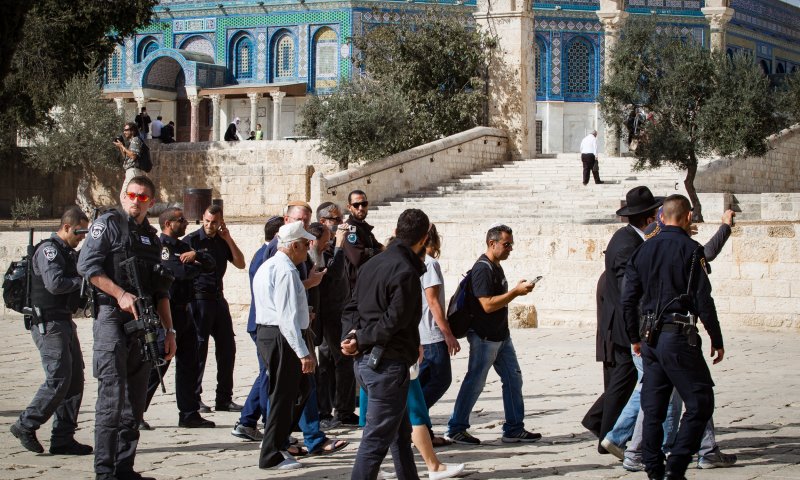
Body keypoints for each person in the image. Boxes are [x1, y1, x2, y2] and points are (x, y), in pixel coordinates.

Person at [613, 209, 737, 472]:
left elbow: (628, 299)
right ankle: (678, 464)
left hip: (649, 339)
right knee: (700, 400)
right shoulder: (690, 250)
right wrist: (716, 337)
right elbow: (703, 299)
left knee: (653, 406)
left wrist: (635, 336)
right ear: (688, 217)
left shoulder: (642, 251)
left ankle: (654, 468)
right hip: (678, 336)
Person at [77, 176, 176, 480]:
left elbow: (161, 290)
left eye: (143, 197)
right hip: (111, 317)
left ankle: (124, 467)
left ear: (151, 201)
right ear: (122, 195)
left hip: (143, 323)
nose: (136, 200)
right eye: (131, 194)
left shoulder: (152, 237)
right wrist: (119, 293)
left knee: (134, 400)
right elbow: (87, 266)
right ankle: (105, 471)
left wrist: (169, 331)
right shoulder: (108, 225)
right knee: (111, 396)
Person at [341, 208, 431, 480]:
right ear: (424, 238)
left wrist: (349, 336)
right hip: (385, 365)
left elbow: (351, 307)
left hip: (370, 363)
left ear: (396, 231)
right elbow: (395, 320)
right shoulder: (405, 271)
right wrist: (358, 339)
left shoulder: (373, 264)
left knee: (400, 434)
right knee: (376, 440)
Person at [582, 186, 662, 452]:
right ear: (650, 219)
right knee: (623, 380)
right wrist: (636, 329)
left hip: (620, 323)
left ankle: (597, 422)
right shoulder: (628, 244)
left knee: (623, 380)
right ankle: (608, 437)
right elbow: (630, 291)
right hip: (623, 325)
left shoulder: (627, 238)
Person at [445, 224, 540, 445]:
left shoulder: (496, 266)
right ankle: (456, 427)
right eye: (507, 244)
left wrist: (514, 290)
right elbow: (486, 305)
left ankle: (514, 427)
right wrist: (515, 292)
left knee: (513, 378)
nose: (510, 249)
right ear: (492, 243)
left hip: (501, 336)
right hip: (484, 337)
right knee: (475, 381)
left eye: (511, 245)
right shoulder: (482, 269)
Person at [10, 207, 92, 456]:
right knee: (59, 378)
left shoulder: (68, 253)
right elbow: (54, 284)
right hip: (48, 323)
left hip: (64, 321)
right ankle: (26, 424)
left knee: (75, 381)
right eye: (79, 231)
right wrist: (83, 283)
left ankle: (63, 438)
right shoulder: (49, 250)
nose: (82, 237)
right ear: (66, 227)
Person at [140, 208, 216, 430]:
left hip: (186, 310)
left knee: (189, 364)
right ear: (168, 224)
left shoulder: (185, 247)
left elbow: (210, 265)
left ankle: (189, 413)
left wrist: (197, 257)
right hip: (166, 312)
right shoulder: (161, 247)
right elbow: (174, 273)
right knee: (159, 363)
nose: (185, 223)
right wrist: (194, 268)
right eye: (180, 220)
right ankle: (135, 412)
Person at [254, 222, 318, 470]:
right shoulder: (286, 271)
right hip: (282, 336)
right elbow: (286, 318)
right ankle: (271, 453)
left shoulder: (271, 266)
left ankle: (278, 442)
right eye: (305, 244)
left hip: (272, 334)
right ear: (294, 246)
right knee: (284, 393)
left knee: (301, 388)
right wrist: (303, 353)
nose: (307, 249)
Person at [184, 205, 246, 413]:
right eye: (207, 221)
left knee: (228, 348)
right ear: (202, 219)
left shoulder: (221, 241)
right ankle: (195, 397)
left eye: (215, 222)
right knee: (198, 350)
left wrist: (228, 238)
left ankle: (224, 398)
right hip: (198, 299)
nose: (210, 226)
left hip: (218, 299)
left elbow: (240, 263)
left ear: (221, 221)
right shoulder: (191, 241)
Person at [232, 215, 285, 442]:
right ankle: (266, 423)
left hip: (263, 323)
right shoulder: (266, 257)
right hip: (264, 324)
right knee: (268, 374)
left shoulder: (264, 255)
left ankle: (247, 421)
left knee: (265, 372)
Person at [314, 202, 358, 429]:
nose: (341, 223)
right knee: (337, 359)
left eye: (341, 218)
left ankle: (337, 408)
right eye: (335, 220)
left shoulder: (333, 245)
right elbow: (333, 274)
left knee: (333, 360)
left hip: (340, 309)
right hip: (328, 311)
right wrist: (340, 245)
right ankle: (334, 409)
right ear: (323, 222)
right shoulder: (320, 249)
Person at [418, 224, 459, 416]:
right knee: (440, 379)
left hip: (419, 332)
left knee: (422, 382)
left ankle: (420, 426)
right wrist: (447, 334)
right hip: (431, 333)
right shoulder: (429, 263)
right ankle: (413, 418)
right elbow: (433, 301)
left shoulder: (413, 261)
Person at [342, 190, 384, 293]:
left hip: (369, 283)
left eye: (364, 204)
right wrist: (377, 251)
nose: (361, 208)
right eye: (356, 205)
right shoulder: (350, 229)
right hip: (357, 288)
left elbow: (381, 247)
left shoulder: (363, 226)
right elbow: (358, 257)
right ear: (349, 207)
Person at [114, 122, 145, 197]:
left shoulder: (136, 140)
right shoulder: (132, 142)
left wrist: (123, 146)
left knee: (125, 194)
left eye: (126, 130)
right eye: (124, 130)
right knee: (130, 194)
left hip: (133, 171)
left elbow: (133, 156)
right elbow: (125, 157)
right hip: (131, 171)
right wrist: (121, 146)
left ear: (133, 131)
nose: (124, 132)